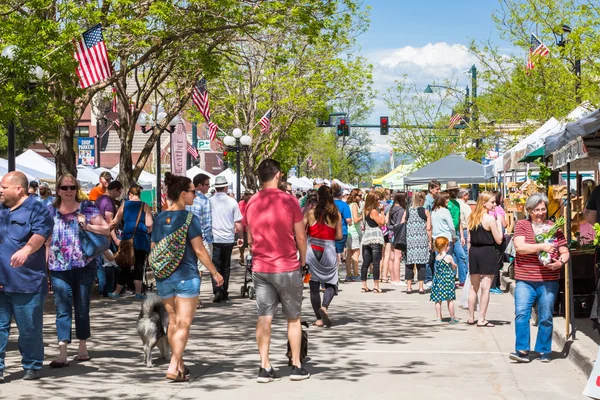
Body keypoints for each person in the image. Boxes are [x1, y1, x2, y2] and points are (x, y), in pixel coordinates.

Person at [151, 172, 223, 381]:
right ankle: (174, 366)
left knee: (173, 322)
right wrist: (215, 272)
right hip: (186, 276)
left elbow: (154, 248)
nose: (195, 195)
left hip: (164, 277)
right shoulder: (189, 218)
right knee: (183, 324)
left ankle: (179, 364)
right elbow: (200, 250)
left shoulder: (159, 218)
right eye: (192, 191)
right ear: (183, 194)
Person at [245, 159, 310, 382]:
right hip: (287, 266)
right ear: (279, 175)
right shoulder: (290, 201)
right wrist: (303, 260)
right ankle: (296, 365)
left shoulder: (252, 202)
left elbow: (250, 238)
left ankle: (264, 366)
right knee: (293, 318)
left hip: (261, 267)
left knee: (264, 316)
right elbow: (300, 236)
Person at [47, 173, 110, 367]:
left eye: (72, 187)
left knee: (82, 306)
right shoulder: (50, 211)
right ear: (58, 190)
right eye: (64, 188)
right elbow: (45, 240)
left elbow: (107, 229)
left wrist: (88, 225)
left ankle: (82, 346)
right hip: (58, 266)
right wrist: (44, 267)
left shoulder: (87, 208)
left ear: (77, 189)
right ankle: (62, 352)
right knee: (62, 307)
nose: (68, 191)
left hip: (84, 265)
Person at [0, 172, 54, 381]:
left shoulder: (38, 208)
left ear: (18, 189)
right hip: (2, 281)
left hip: (26, 282)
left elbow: (41, 235)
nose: (1, 190)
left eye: (4, 187)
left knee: (29, 329)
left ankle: (32, 364)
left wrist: (26, 250)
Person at [509, 193, 569, 363]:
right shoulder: (522, 225)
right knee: (521, 313)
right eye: (537, 210)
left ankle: (544, 350)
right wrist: (543, 246)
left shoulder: (554, 227)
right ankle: (522, 350)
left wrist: (561, 262)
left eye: (543, 209)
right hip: (525, 279)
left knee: (546, 316)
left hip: (549, 279)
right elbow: (520, 247)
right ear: (529, 210)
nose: (541, 213)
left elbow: (564, 250)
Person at [305, 185, 342, 327]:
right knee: (331, 282)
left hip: (312, 250)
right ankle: (324, 307)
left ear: (318, 197)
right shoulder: (335, 214)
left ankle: (318, 319)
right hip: (328, 250)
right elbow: (338, 236)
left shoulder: (311, 212)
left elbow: (301, 231)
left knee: (313, 286)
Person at [109, 185, 153, 299]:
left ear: (130, 194)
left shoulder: (125, 205)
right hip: (141, 240)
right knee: (139, 265)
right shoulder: (145, 206)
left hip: (128, 239)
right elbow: (149, 223)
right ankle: (138, 292)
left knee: (125, 265)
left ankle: (116, 292)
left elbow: (115, 221)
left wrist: (107, 230)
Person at [467, 191, 503, 327]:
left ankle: (471, 317)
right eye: (492, 202)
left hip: (474, 252)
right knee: (486, 288)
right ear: (484, 203)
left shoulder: (472, 217)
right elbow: (499, 240)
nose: (494, 204)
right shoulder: (489, 219)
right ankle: (481, 318)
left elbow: (469, 239)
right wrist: (499, 223)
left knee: (473, 287)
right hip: (487, 252)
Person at [209, 176, 243, 303]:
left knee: (215, 265)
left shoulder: (210, 201)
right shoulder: (232, 202)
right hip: (228, 238)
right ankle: (224, 290)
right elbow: (238, 222)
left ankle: (218, 289)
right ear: (226, 187)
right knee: (226, 266)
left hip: (215, 238)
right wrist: (240, 238)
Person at [187, 173, 214, 309]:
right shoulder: (204, 200)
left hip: (185, 239)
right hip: (200, 238)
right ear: (199, 185)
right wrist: (208, 240)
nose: (208, 188)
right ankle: (195, 298)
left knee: (188, 268)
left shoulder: (184, 199)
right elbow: (207, 223)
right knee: (199, 270)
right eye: (207, 185)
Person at [95, 180, 123, 297]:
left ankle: (103, 289)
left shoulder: (99, 199)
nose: (119, 195)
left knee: (101, 263)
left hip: (96, 234)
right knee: (108, 265)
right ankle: (106, 289)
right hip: (104, 236)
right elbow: (109, 223)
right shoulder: (109, 203)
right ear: (114, 190)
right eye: (119, 192)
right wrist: (115, 239)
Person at [405, 191, 431, 294]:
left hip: (410, 241)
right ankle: (421, 287)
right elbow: (428, 228)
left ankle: (409, 287)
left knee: (409, 264)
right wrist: (430, 241)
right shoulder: (426, 211)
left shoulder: (408, 210)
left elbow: (403, 223)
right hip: (422, 241)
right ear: (421, 200)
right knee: (421, 265)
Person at [360, 191, 385, 293]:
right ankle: (376, 285)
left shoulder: (365, 210)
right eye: (377, 199)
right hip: (375, 237)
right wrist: (382, 211)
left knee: (365, 263)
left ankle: (364, 285)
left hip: (367, 238)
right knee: (376, 263)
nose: (379, 201)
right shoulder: (374, 211)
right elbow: (382, 223)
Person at [430, 237, 458, 323]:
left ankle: (439, 317)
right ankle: (452, 318)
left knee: (438, 300)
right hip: (447, 280)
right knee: (450, 300)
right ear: (446, 246)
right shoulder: (448, 257)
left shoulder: (437, 257)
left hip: (438, 280)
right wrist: (454, 265)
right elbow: (454, 266)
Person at [446, 181, 467, 288]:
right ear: (449, 191)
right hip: (448, 234)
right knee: (449, 257)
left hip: (457, 234)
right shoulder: (446, 204)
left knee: (461, 256)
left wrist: (462, 235)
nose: (456, 192)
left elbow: (458, 219)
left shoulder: (457, 204)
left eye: (457, 190)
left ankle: (463, 280)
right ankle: (450, 279)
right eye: (454, 190)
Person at [489, 190, 507, 294]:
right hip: (498, 238)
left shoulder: (487, 211)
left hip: (490, 239)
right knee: (497, 262)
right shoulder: (498, 209)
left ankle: (494, 284)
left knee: (492, 262)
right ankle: (494, 285)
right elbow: (504, 224)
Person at [424, 180, 441, 286]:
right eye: (437, 189)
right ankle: (428, 278)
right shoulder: (427, 201)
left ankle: (433, 278)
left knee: (434, 256)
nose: (438, 191)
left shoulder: (435, 199)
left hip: (435, 230)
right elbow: (426, 217)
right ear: (431, 189)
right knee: (429, 256)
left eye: (439, 189)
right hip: (429, 230)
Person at [389, 191, 407, 286]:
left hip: (391, 233)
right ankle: (397, 279)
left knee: (392, 257)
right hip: (398, 234)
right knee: (397, 256)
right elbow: (400, 223)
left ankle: (392, 278)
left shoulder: (392, 208)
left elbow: (388, 223)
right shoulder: (401, 210)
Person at [332, 183, 352, 269]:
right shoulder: (344, 205)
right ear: (341, 194)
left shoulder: (328, 204)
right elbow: (348, 220)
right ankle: (335, 272)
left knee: (330, 252)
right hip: (341, 231)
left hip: (328, 231)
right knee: (337, 253)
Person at [345, 189, 362, 282]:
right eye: (359, 195)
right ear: (355, 196)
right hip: (354, 232)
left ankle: (348, 274)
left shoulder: (349, 204)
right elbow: (355, 219)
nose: (361, 197)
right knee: (356, 253)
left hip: (349, 231)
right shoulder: (354, 205)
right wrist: (363, 215)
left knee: (349, 254)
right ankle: (355, 274)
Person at [456, 188, 471, 286]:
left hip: (455, 230)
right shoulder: (465, 206)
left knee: (454, 255)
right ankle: (464, 277)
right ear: (464, 195)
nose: (468, 197)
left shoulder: (453, 204)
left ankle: (455, 276)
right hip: (464, 231)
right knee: (464, 254)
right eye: (467, 195)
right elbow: (469, 221)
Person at [238, 192, 252, 266]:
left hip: (251, 227)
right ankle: (242, 256)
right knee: (242, 244)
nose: (247, 196)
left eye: (248, 194)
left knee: (251, 244)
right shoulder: (240, 203)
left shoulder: (253, 203)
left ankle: (251, 258)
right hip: (242, 227)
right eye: (246, 194)